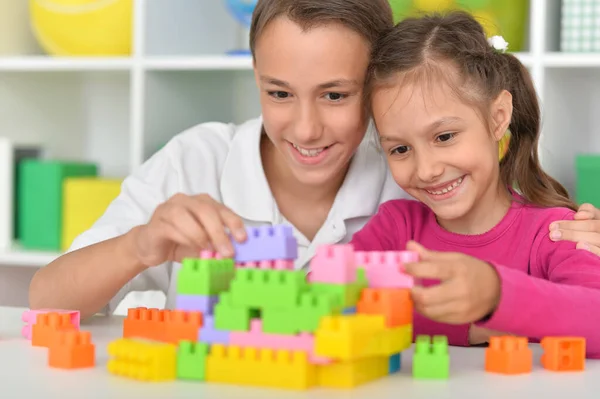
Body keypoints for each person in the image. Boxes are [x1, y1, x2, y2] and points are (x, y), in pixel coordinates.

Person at [28, 1, 600, 322]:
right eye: (279, 93)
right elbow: (44, 301)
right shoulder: (195, 159)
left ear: (379, 93)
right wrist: (140, 247)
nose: (304, 128)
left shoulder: (414, 190)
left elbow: (535, 274)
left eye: (335, 95)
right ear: (254, 78)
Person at [350, 11, 600, 357]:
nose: (426, 170)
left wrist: (496, 295)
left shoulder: (556, 232)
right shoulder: (394, 228)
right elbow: (332, 300)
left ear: (498, 118)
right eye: (400, 149)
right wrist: (472, 325)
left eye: (444, 136)